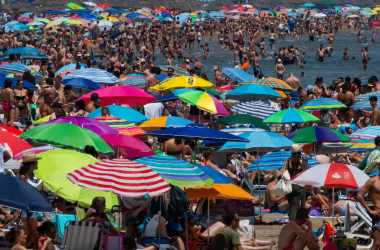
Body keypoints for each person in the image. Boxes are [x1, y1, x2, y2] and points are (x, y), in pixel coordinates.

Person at [284, 145, 308, 220]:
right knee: (294, 204)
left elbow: (306, 171)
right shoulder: (289, 161)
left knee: (295, 205)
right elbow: (284, 173)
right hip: (294, 187)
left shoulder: (290, 161)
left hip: (296, 186)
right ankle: (294, 220)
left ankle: (295, 219)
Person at [358, 167, 380, 250]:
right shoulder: (373, 181)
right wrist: (369, 210)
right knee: (377, 243)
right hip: (378, 216)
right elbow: (360, 195)